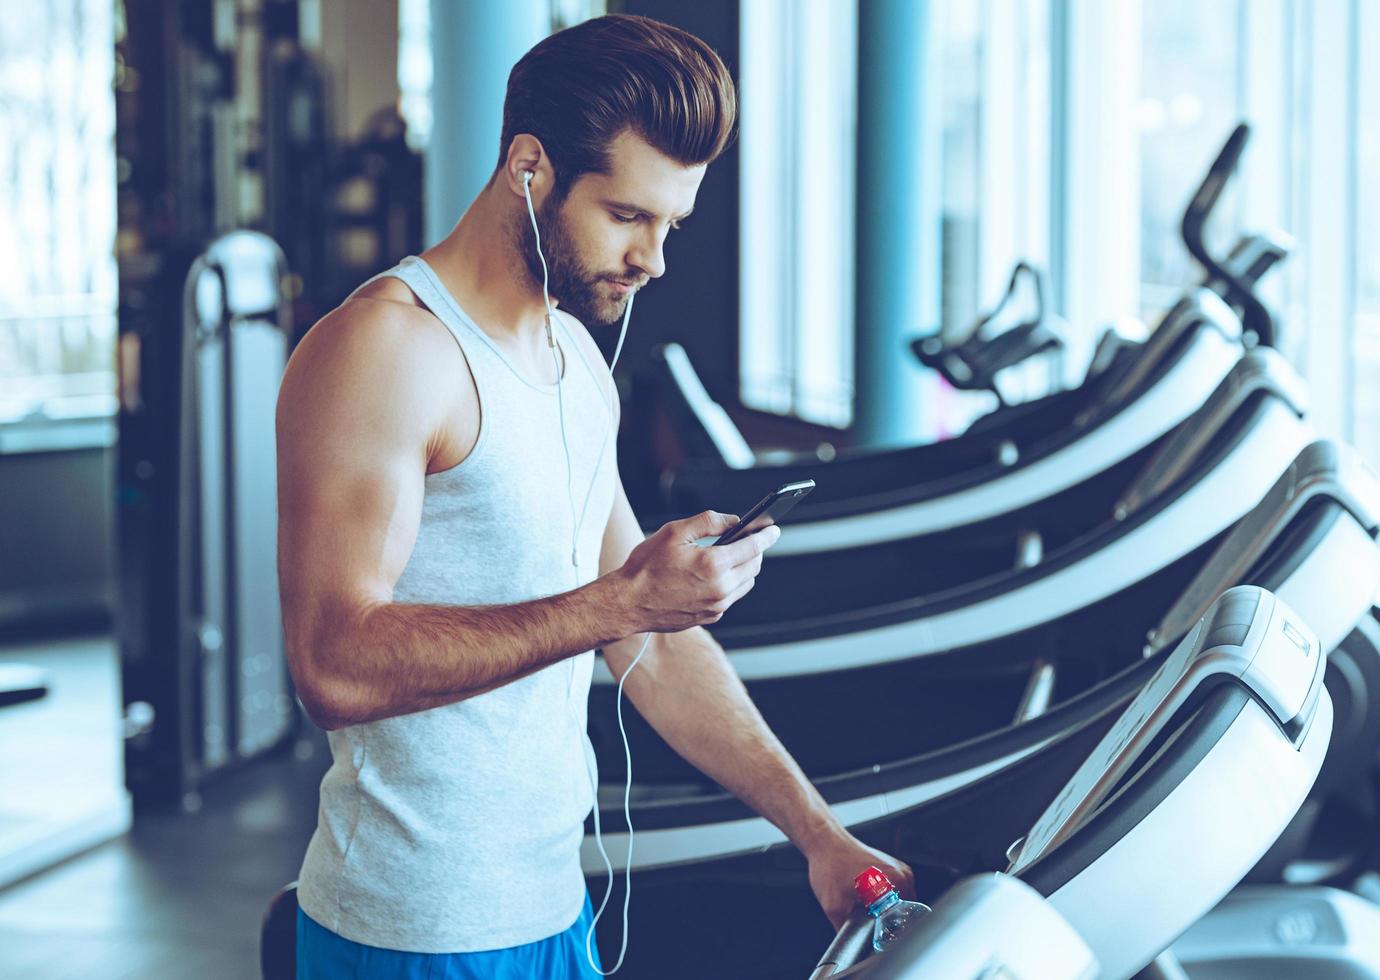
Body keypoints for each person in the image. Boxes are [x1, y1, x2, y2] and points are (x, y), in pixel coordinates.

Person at [277, 13, 913, 978]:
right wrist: (620, 601)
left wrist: (815, 833)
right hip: (411, 933)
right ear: (530, 166)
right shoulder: (387, 350)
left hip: (552, 913)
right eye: (627, 215)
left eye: (670, 225)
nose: (654, 258)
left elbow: (647, 650)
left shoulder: (574, 355)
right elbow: (333, 666)